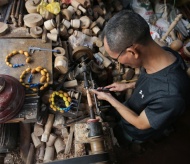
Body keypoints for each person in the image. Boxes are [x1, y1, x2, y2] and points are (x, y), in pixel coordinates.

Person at [91, 10, 190, 144]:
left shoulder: (170, 95)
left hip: (135, 130)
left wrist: (110, 100)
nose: (118, 63)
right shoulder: (163, 53)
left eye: (117, 58)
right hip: (134, 106)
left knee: (123, 139)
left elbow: (140, 123)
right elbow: (153, 81)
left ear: (132, 52)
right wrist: (128, 85)